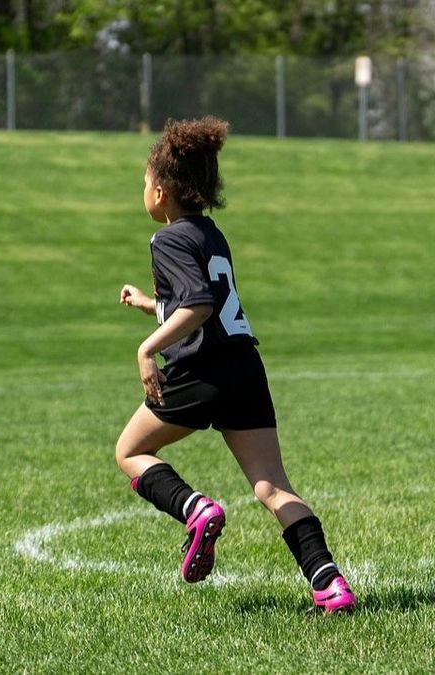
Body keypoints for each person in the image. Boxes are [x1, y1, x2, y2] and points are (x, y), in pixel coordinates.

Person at [115, 116, 356, 615]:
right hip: (244, 367)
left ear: (160, 192)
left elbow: (198, 305)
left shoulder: (166, 240)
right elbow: (204, 304)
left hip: (199, 370)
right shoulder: (209, 234)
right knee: (271, 486)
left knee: (130, 451)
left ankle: (195, 509)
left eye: (143, 182)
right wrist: (149, 305)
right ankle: (330, 585)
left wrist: (145, 349)